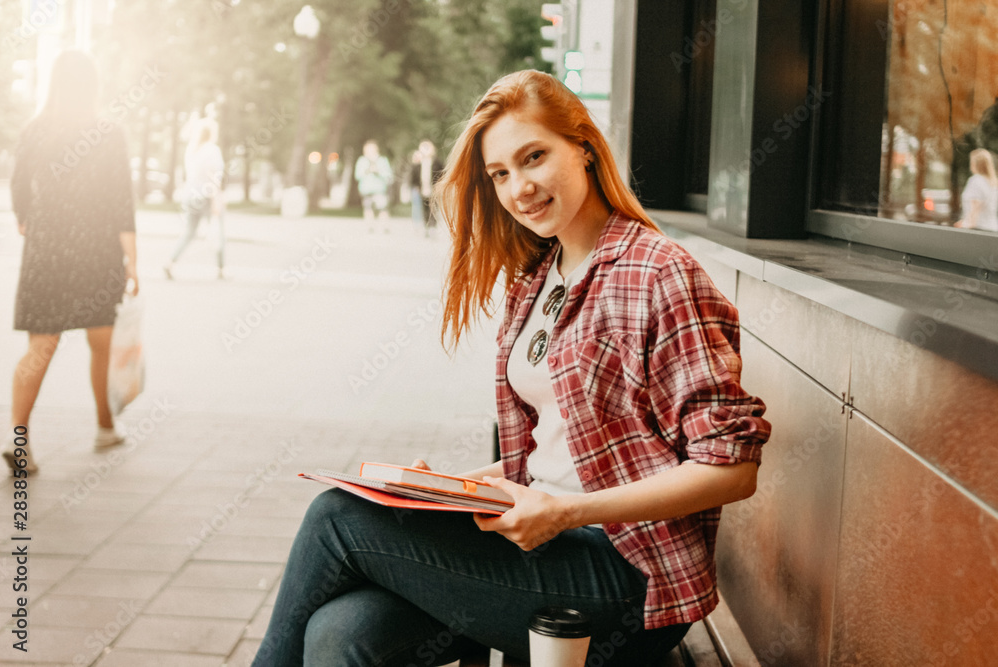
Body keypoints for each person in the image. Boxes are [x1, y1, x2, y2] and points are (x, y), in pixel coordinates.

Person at [252, 70, 770, 666]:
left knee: (336, 517)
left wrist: (569, 511)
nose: (519, 187)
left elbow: (732, 470)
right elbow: (558, 448)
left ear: (583, 145)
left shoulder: (658, 273)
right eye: (500, 174)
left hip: (625, 571)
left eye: (533, 157)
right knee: (342, 633)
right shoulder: (536, 277)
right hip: (537, 543)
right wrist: (444, 491)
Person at [4, 50, 138, 473]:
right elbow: (122, 202)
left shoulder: (35, 130)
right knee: (102, 341)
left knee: (41, 347)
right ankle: (104, 427)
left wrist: (26, 218)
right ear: (93, 86)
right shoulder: (108, 132)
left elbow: (18, 183)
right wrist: (133, 261)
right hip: (97, 252)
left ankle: (18, 438)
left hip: (46, 250)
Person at [163, 119, 226, 279]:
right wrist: (216, 200)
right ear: (212, 134)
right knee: (217, 230)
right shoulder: (213, 150)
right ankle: (221, 269)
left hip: (190, 195)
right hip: (206, 196)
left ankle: (170, 262)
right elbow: (215, 177)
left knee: (189, 233)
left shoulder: (192, 150)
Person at [955, 148, 998, 232]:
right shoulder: (993, 182)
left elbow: (975, 207)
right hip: (992, 228)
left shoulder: (976, 180)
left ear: (976, 164)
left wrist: (967, 225)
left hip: (979, 229)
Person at [354, 139, 393, 231]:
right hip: (366, 189)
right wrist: (366, 171)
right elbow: (357, 175)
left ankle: (385, 226)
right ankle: (369, 226)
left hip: (379, 189)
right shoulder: (362, 160)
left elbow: (388, 174)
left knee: (382, 208)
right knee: (368, 208)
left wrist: (378, 171)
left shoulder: (382, 160)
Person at [415, 138, 444, 236]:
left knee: (433, 208)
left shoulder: (437, 162)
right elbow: (414, 175)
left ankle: (432, 227)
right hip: (423, 188)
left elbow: (442, 174)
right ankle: (426, 226)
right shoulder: (418, 162)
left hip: (434, 188)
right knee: (424, 208)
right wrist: (415, 185)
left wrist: (440, 185)